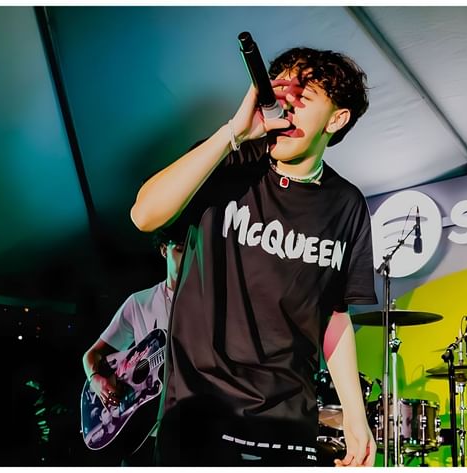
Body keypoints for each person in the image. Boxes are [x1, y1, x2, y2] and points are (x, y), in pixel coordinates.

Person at [130, 46, 377, 466]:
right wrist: (232, 133)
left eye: (303, 97)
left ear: (336, 119)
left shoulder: (346, 204)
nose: (286, 106)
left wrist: (356, 417)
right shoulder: (227, 163)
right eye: (280, 93)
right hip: (201, 415)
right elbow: (144, 215)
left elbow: (334, 316)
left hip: (288, 423)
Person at [82, 223, 185, 466]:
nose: (187, 257)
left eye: (192, 250)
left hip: (185, 432)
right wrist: (96, 379)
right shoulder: (140, 302)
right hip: (141, 434)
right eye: (180, 249)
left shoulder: (206, 306)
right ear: (164, 250)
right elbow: (91, 355)